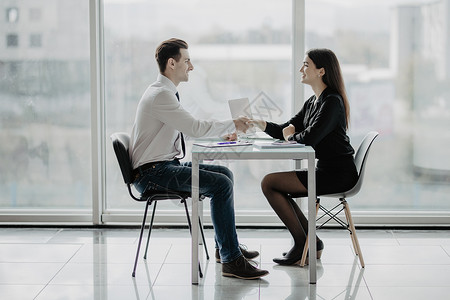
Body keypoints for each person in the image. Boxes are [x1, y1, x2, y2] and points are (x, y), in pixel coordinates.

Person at [129, 38, 268, 279]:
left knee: (225, 174)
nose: (191, 67)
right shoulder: (161, 95)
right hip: (152, 175)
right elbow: (194, 127)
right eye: (187, 61)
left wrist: (224, 132)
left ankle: (224, 248)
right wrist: (232, 122)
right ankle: (231, 260)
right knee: (221, 184)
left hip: (160, 168)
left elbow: (187, 127)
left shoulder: (164, 93)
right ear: (172, 63)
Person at [249, 48, 358, 265]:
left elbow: (310, 137)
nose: (301, 69)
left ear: (321, 71)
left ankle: (303, 243)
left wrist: (291, 136)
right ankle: (309, 242)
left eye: (306, 65)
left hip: (339, 174)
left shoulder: (332, 102)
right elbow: (286, 129)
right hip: (325, 170)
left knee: (270, 183)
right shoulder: (313, 102)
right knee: (274, 185)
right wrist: (259, 124)